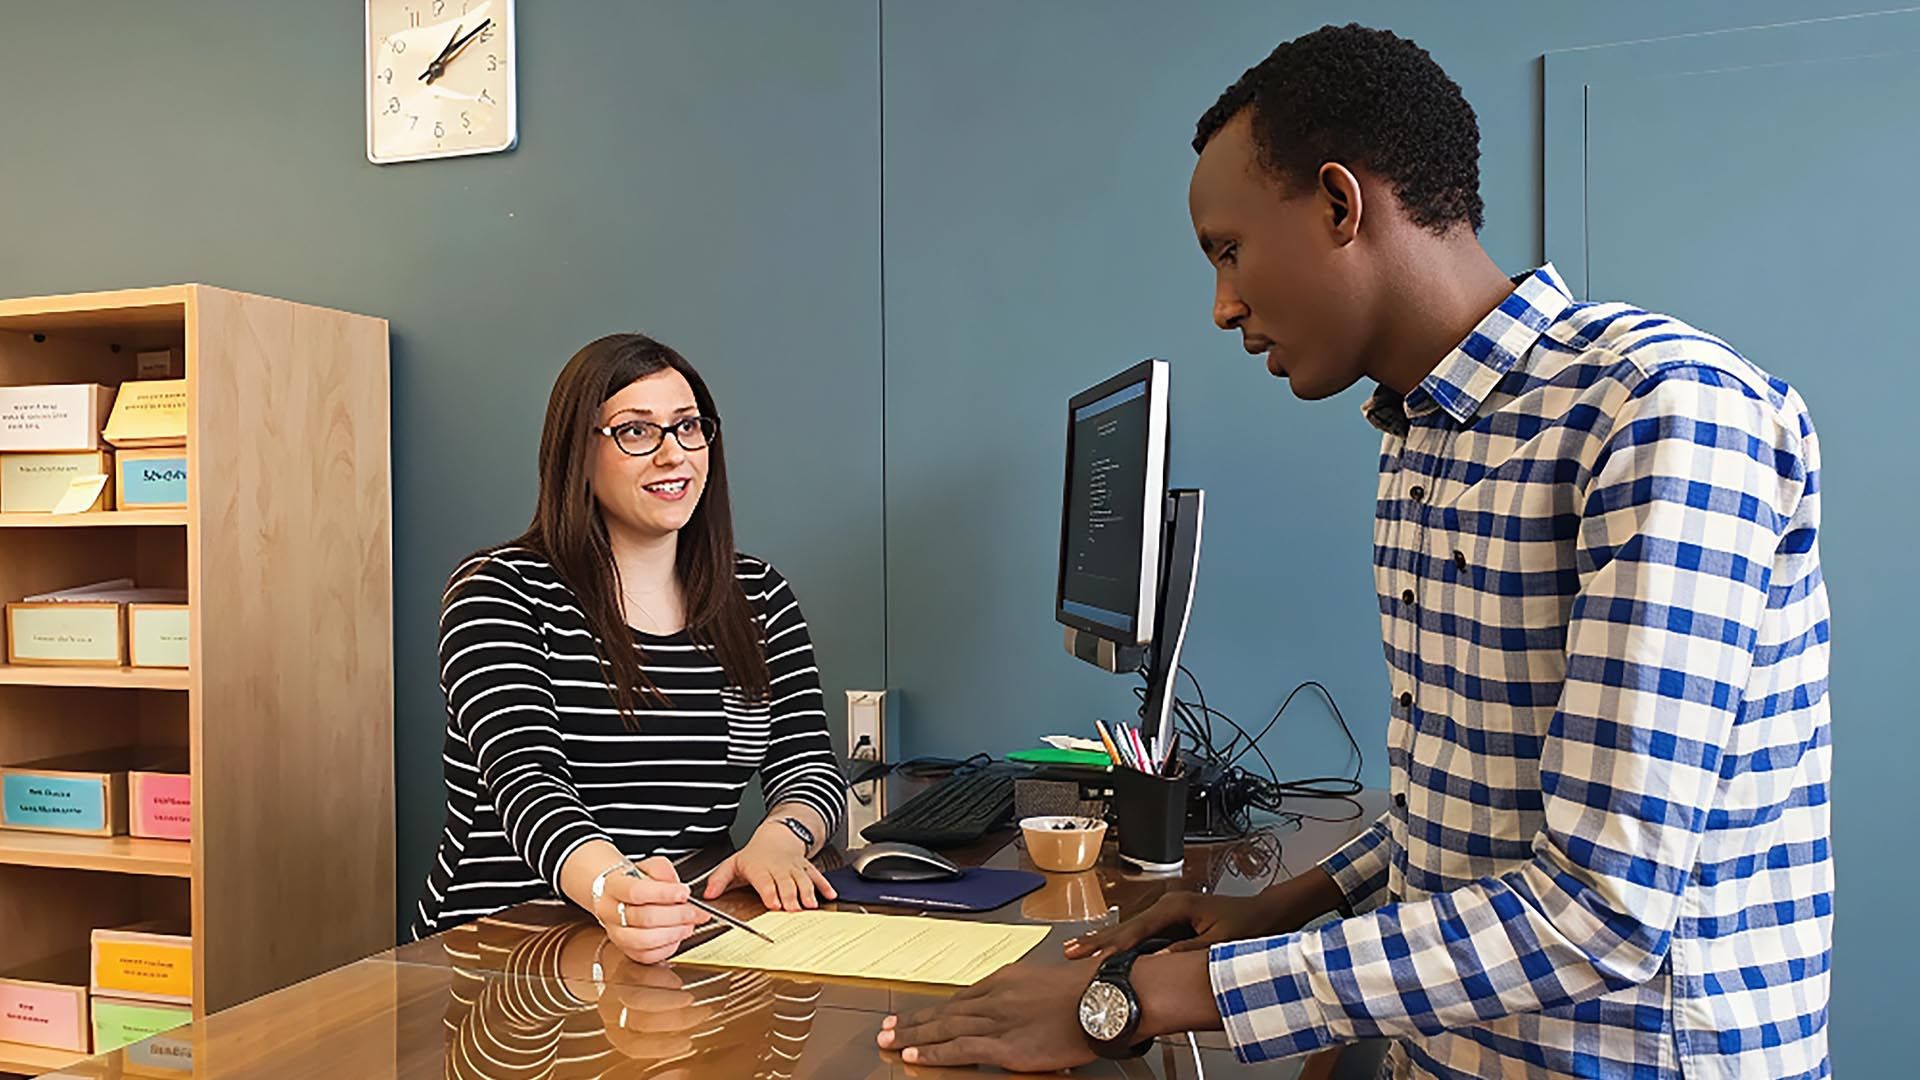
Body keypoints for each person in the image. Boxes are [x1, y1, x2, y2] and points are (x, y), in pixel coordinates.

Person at [879, 23, 1831, 1078]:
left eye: (1228, 251)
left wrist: (1141, 999)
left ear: (1341, 204)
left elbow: (1598, 911)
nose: (1223, 305)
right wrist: (1287, 902)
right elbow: (1462, 813)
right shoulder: (1419, 444)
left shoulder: (1661, 412)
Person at [413, 333, 847, 964]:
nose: (673, 455)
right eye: (636, 432)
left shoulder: (756, 595)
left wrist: (784, 838)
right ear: (577, 452)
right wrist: (610, 886)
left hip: (681, 937)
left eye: (688, 427)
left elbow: (807, 764)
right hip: (509, 946)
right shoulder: (500, 592)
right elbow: (525, 782)